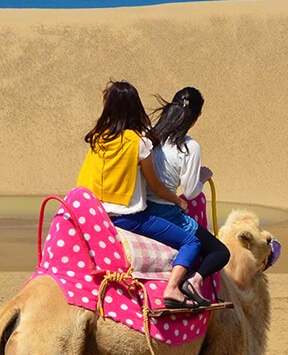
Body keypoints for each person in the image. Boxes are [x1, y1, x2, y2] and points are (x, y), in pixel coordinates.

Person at [76, 81, 201, 309]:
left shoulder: (97, 138)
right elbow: (156, 186)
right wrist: (177, 200)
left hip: (95, 215)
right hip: (128, 218)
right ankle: (173, 289)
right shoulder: (140, 143)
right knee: (191, 241)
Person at [146, 86, 231, 306]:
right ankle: (193, 280)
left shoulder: (150, 136)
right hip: (166, 212)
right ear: (194, 119)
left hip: (141, 210)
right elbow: (191, 192)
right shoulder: (190, 146)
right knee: (220, 253)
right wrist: (203, 177)